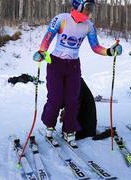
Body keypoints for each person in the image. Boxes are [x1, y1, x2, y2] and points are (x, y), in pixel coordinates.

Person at [33, 0, 122, 147]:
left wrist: (109, 51)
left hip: (73, 65)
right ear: (78, 5)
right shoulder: (62, 19)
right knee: (55, 99)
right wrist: (42, 52)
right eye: (88, 7)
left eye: (92, 7)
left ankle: (70, 131)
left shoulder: (89, 26)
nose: (90, 10)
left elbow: (95, 46)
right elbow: (48, 36)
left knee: (72, 100)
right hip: (56, 63)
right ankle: (49, 128)